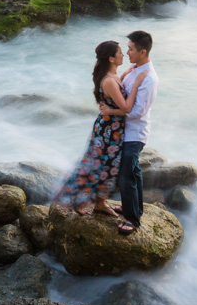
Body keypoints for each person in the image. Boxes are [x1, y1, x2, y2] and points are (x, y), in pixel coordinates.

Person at [53, 40, 147, 216]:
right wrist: (135, 85)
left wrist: (129, 72)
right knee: (97, 166)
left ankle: (99, 203)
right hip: (108, 130)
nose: (123, 54)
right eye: (120, 52)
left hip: (112, 128)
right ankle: (79, 200)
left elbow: (118, 90)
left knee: (108, 167)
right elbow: (126, 108)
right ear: (111, 58)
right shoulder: (109, 81)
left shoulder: (113, 77)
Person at [99, 30, 157, 235]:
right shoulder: (134, 69)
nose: (128, 53)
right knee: (134, 172)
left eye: (131, 49)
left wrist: (111, 111)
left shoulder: (148, 78)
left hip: (135, 134)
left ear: (142, 51)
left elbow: (137, 112)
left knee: (126, 175)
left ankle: (133, 220)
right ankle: (135, 207)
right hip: (125, 131)